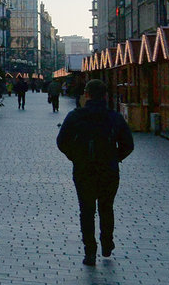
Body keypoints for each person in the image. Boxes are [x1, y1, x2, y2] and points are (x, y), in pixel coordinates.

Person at [56, 78, 134, 266]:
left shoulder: (75, 116)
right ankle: (107, 242)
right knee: (106, 207)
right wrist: (116, 157)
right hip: (108, 169)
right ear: (105, 95)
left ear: (87, 95)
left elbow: (61, 141)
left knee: (87, 210)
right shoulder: (114, 117)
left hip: (84, 169)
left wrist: (75, 156)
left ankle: (89, 250)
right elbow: (128, 144)